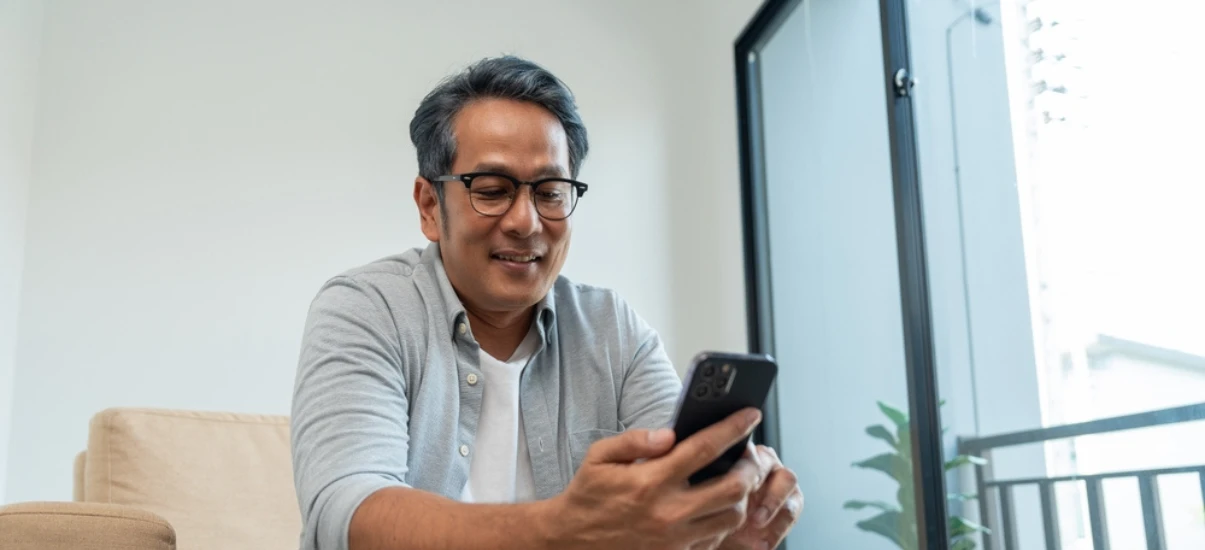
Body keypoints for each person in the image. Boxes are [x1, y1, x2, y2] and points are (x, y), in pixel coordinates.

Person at [291, 55, 803, 550]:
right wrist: (562, 530)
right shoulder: (365, 309)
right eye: (491, 190)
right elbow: (348, 516)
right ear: (429, 206)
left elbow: (672, 503)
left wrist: (721, 528)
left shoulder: (613, 330)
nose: (526, 221)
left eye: (551, 192)